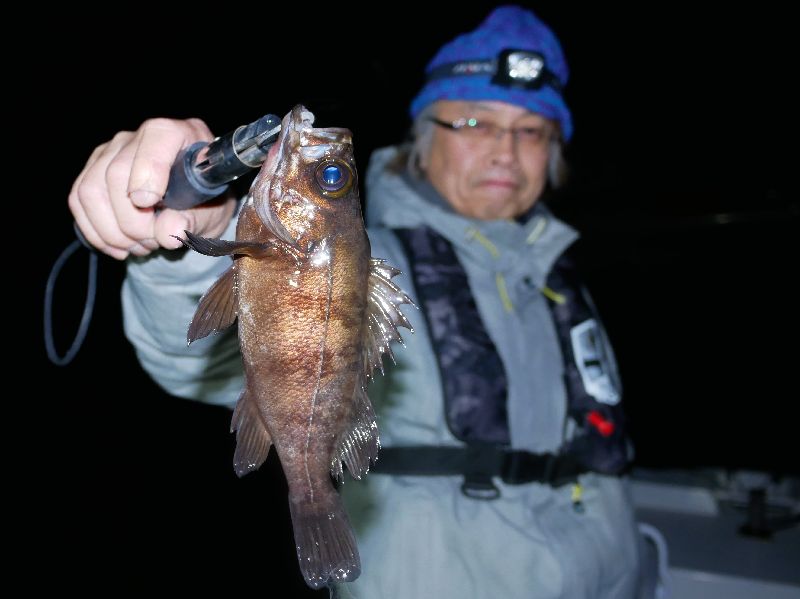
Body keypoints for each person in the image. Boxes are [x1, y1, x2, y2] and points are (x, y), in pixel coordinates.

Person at [68, 6, 645, 598]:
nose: (505, 150)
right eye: (475, 122)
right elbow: (188, 357)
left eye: (532, 132)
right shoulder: (375, 259)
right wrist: (190, 243)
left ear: (554, 152)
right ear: (422, 139)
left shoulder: (556, 271)